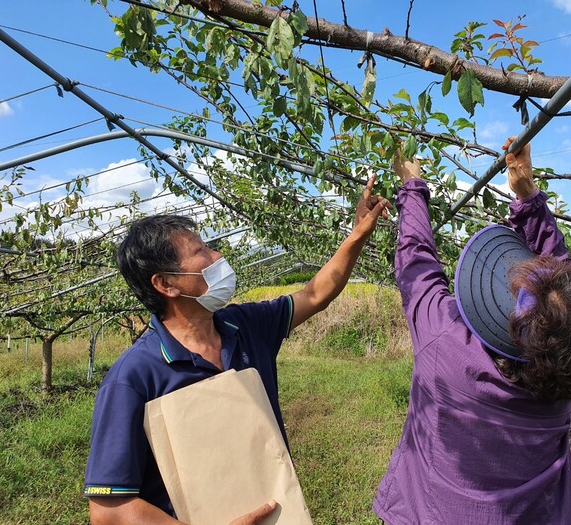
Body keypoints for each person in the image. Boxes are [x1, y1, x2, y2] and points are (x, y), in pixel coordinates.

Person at [84, 176, 392, 525]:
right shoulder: (134, 377)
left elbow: (314, 295)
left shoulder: (244, 325)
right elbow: (109, 510)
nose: (218, 256)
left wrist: (357, 235)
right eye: (201, 252)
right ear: (165, 284)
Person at [373, 138, 571, 524]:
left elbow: (417, 265)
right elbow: (564, 299)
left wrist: (412, 185)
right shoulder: (566, 367)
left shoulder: (446, 344)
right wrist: (528, 198)